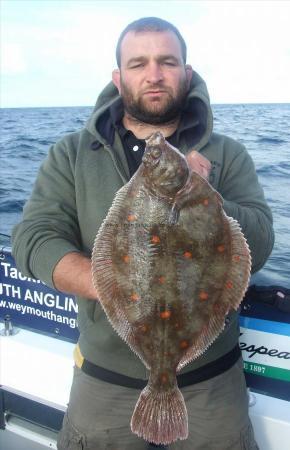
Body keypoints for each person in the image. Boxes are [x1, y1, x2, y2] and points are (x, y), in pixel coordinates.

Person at [12, 17, 274, 450]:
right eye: (138, 63)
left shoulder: (228, 153)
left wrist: (206, 200)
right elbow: (34, 237)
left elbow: (260, 243)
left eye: (167, 61)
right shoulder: (71, 155)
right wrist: (114, 286)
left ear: (186, 73)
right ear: (118, 77)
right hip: (105, 385)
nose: (154, 74)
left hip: (213, 385)